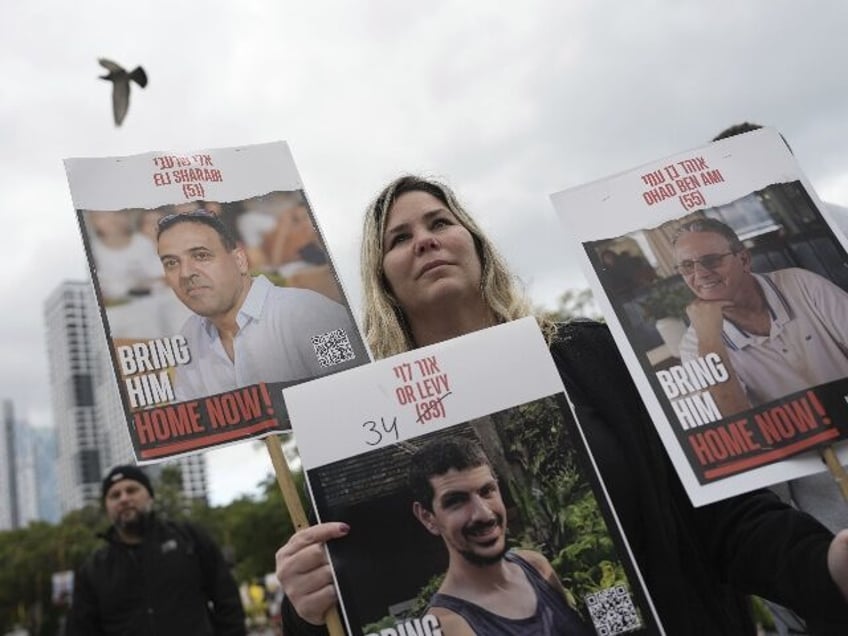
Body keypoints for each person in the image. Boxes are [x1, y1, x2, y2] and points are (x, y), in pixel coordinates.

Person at [275, 175, 848, 635]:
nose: (424, 240)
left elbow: (721, 520)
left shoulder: (589, 354)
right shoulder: (356, 423)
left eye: (440, 222)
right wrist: (303, 611)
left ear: (477, 247)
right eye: (398, 238)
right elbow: (339, 600)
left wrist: (827, 566)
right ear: (383, 280)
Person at [156, 210, 366, 400]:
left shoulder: (313, 315)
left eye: (201, 256)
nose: (185, 273)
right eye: (171, 263)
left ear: (240, 260)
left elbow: (361, 396)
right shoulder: (189, 336)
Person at [408, 436, 592, 634]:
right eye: (456, 501)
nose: (483, 514)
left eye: (487, 491)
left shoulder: (536, 566)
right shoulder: (446, 625)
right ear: (428, 518)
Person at [674, 216, 848, 417]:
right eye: (687, 266)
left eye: (711, 260)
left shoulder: (801, 284)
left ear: (744, 260)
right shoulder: (695, 345)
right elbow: (733, 424)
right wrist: (710, 340)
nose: (700, 274)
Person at [67, 464, 246, 635]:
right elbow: (82, 629)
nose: (124, 498)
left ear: (150, 497)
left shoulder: (189, 539)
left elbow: (227, 601)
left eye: (131, 490)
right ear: (107, 507)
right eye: (114, 495)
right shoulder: (93, 570)